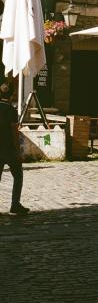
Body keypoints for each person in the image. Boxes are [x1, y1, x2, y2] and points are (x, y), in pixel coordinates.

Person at [0, 82, 29, 215]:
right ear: (11, 95)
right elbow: (14, 132)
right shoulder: (11, 110)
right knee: (18, 176)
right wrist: (18, 151)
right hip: (9, 149)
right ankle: (15, 204)